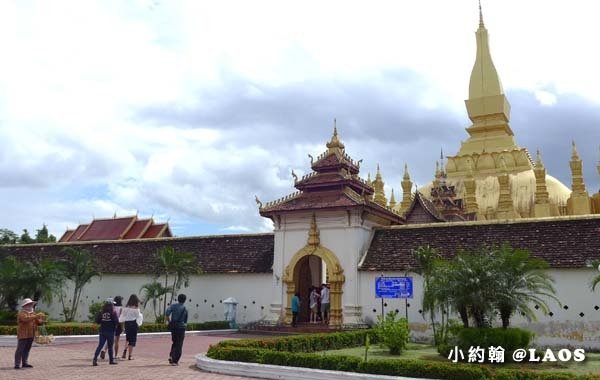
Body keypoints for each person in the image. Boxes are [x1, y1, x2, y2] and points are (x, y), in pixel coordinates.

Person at [14, 298, 44, 369]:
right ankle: (17, 364)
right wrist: (35, 316)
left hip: (31, 334)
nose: (30, 306)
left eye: (30, 304)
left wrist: (41, 320)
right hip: (23, 334)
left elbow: (37, 322)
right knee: (20, 349)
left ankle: (25, 363)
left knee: (27, 349)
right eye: (28, 305)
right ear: (24, 306)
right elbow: (25, 319)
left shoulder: (33, 313)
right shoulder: (21, 313)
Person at [92, 301, 119, 366]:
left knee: (100, 345)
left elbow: (97, 321)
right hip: (110, 332)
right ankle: (111, 360)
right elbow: (116, 322)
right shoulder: (113, 313)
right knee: (110, 347)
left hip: (102, 331)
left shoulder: (101, 313)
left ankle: (95, 359)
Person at [166, 294, 188, 366]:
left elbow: (167, 313)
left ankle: (171, 356)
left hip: (174, 327)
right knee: (179, 344)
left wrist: (169, 321)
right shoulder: (185, 309)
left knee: (174, 342)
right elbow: (185, 321)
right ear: (184, 300)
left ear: (178, 299)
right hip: (181, 328)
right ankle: (175, 361)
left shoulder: (173, 306)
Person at [119, 294, 143, 360]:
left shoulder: (126, 308)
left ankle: (125, 351)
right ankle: (130, 355)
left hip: (127, 324)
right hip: (133, 324)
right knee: (132, 340)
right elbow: (138, 317)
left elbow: (122, 317)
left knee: (127, 338)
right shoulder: (136, 309)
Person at [101, 296, 123, 360]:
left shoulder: (112, 307)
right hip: (118, 324)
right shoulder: (121, 308)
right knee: (117, 341)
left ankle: (104, 350)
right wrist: (122, 327)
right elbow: (121, 319)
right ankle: (115, 355)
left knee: (110, 339)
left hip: (111, 324)